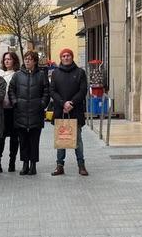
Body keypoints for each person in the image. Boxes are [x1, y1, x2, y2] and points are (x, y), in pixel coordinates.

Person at [49, 48, 89, 176]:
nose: (66, 58)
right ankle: (59, 166)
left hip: (75, 110)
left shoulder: (80, 72)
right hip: (60, 111)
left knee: (77, 139)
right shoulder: (55, 73)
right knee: (61, 139)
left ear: (72, 57)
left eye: (68, 55)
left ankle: (81, 165)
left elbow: (83, 90)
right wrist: (63, 103)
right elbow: (52, 91)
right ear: (61, 58)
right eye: (64, 56)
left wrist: (72, 103)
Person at [9, 49, 49, 175]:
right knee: (23, 141)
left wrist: (42, 104)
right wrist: (15, 102)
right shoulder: (17, 75)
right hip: (20, 112)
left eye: (30, 59)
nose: (27, 61)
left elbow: (46, 91)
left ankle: (33, 165)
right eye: (26, 59)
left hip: (36, 112)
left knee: (34, 141)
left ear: (35, 61)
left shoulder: (41, 75)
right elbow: (11, 90)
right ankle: (25, 164)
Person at [0, 51, 20, 172]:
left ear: (14, 61)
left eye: (9, 59)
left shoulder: (18, 74)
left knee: (14, 138)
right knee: (0, 137)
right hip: (1, 110)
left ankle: (12, 162)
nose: (7, 61)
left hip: (14, 110)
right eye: (5, 59)